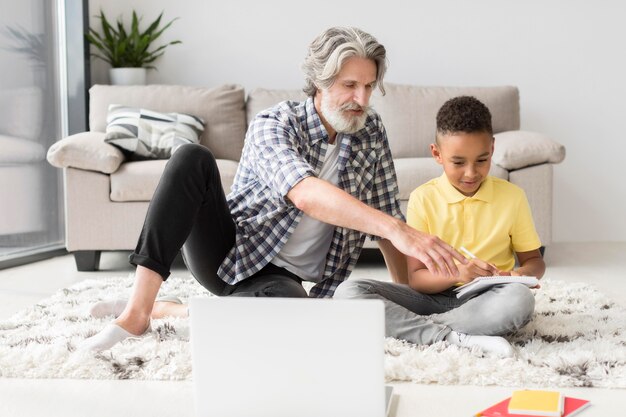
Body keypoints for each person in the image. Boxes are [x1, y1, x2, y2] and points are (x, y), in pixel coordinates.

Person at [80, 27, 466, 351]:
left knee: (290, 315)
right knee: (191, 157)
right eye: (350, 85)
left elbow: (386, 213)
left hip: (281, 280)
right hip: (231, 251)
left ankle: (174, 310)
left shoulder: (370, 130)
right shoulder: (275, 123)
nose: (361, 99)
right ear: (319, 81)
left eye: (368, 86)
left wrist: (406, 297)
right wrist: (397, 229)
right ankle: (138, 312)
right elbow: (305, 193)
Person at [334, 96, 546, 357]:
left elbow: (534, 261)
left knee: (519, 300)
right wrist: (459, 274)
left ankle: (417, 330)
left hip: (487, 300)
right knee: (348, 292)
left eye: (481, 160)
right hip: (431, 299)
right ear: (437, 154)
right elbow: (417, 280)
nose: (471, 173)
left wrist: (517, 275)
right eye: (458, 162)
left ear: (492, 149)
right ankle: (452, 336)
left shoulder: (513, 197)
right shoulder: (423, 198)